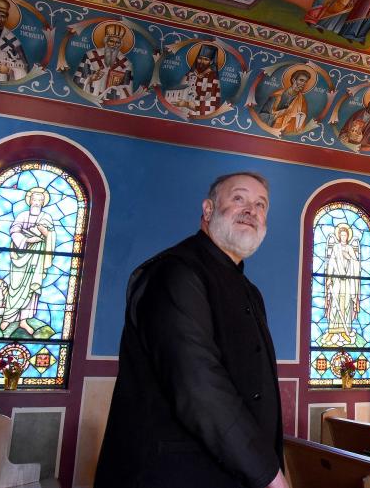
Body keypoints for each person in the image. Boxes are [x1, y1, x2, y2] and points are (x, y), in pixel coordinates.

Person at [95, 172, 288, 488]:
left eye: (261, 204)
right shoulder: (174, 272)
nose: (251, 210)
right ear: (208, 210)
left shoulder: (250, 291)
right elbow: (198, 384)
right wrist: (268, 474)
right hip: (172, 475)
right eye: (238, 198)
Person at [0, 187, 55, 335]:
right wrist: (27, 239)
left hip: (37, 258)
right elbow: (14, 230)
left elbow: (49, 234)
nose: (37, 202)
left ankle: (24, 320)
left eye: (40, 200)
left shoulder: (46, 217)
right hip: (20, 255)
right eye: (35, 200)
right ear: (29, 200)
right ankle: (8, 318)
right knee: (15, 287)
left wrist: (43, 233)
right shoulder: (22, 215)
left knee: (32, 289)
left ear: (43, 202)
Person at [320, 224, 362, 347]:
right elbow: (331, 263)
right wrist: (329, 279)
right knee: (334, 305)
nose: (343, 237)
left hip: (348, 281)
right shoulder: (336, 248)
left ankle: (345, 330)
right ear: (339, 236)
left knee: (347, 305)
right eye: (341, 235)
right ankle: (332, 331)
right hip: (337, 280)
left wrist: (348, 257)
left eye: (345, 235)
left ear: (347, 237)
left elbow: (356, 264)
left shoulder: (349, 248)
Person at [72, 22, 135, 103]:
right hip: (88, 101)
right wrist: (91, 79)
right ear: (105, 41)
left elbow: (127, 90)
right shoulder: (91, 56)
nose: (114, 45)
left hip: (109, 103)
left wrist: (109, 90)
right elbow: (77, 81)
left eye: (118, 42)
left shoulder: (126, 64)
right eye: (111, 41)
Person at [259, 68, 311, 133]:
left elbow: (301, 123)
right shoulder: (277, 95)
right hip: (273, 129)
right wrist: (275, 116)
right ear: (293, 80)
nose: (303, 83)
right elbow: (263, 115)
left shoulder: (302, 101)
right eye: (301, 80)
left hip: (288, 131)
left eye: (305, 82)